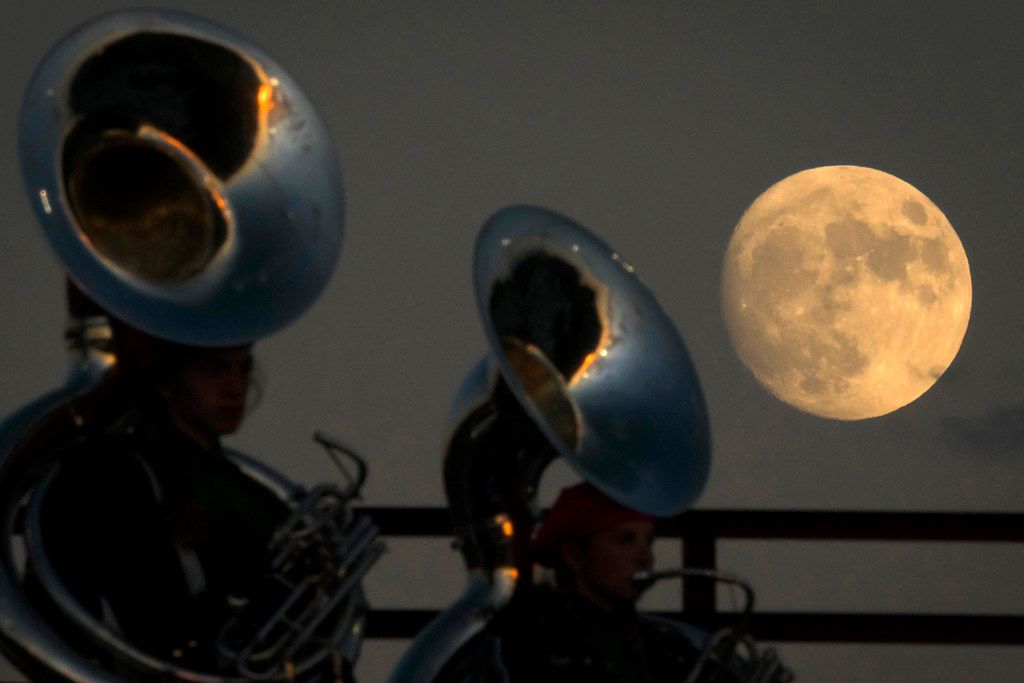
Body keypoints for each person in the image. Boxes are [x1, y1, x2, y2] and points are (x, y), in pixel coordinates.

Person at [35, 333, 294, 674]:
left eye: (243, 369)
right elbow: (155, 621)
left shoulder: (241, 485)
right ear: (166, 383)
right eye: (214, 370)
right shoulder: (113, 476)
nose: (236, 387)